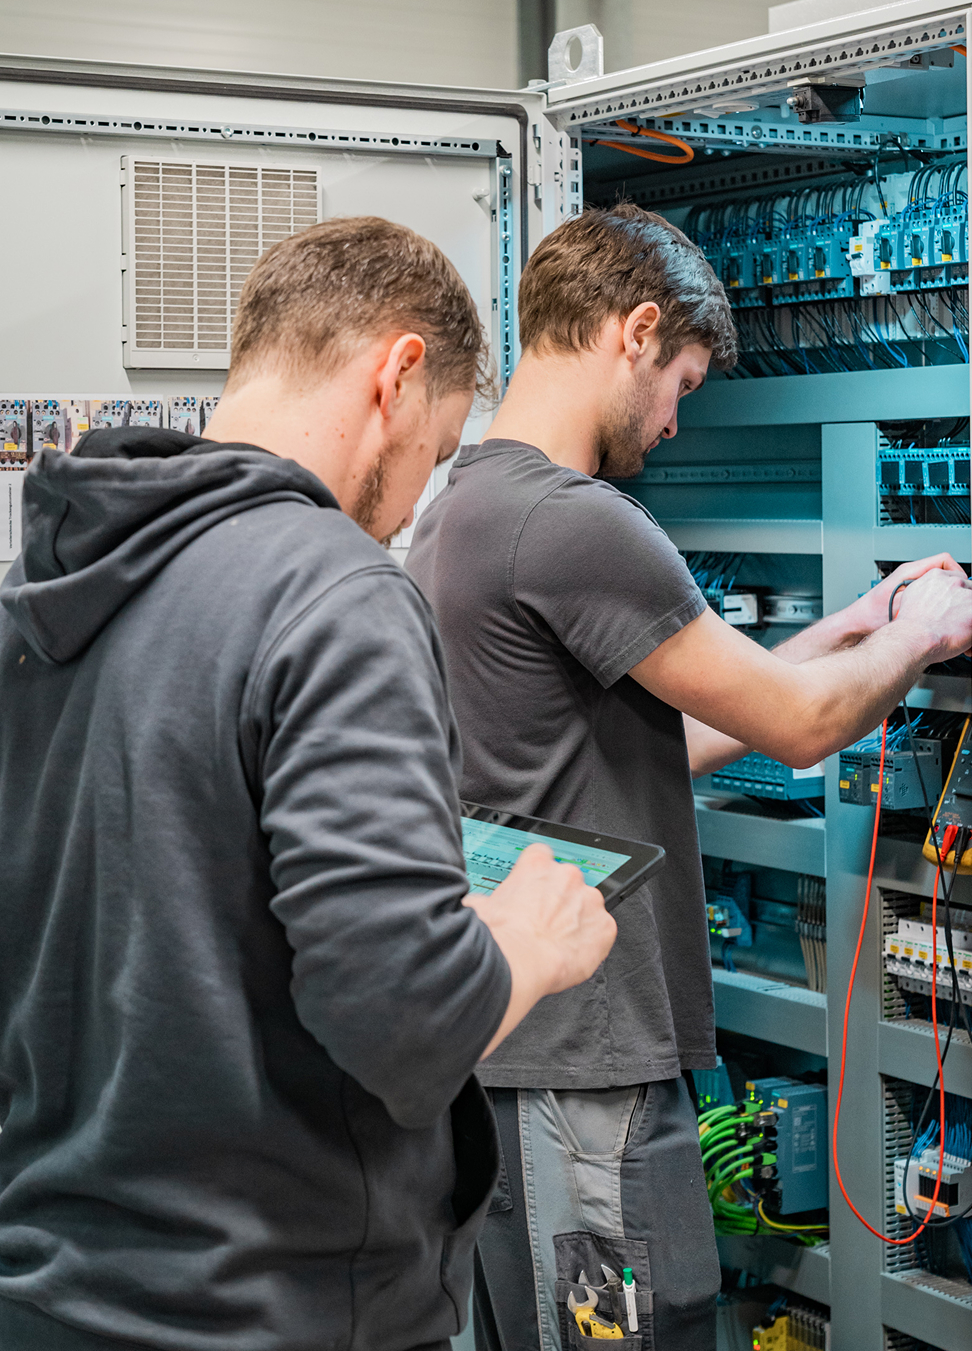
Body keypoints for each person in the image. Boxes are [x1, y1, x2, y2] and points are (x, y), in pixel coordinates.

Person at [0, 215, 616, 1351]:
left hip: (51, 1287)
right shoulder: (335, 592)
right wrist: (530, 941)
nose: (414, 504)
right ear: (398, 372)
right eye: (435, 451)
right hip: (271, 1300)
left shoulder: (41, 587)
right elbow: (402, 1014)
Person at [406, 202, 972, 1351]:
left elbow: (683, 734)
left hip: (535, 1057)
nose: (673, 422)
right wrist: (927, 634)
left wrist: (861, 618)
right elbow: (802, 728)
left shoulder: (467, 505)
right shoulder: (573, 522)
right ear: (636, 329)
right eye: (683, 384)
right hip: (586, 1070)